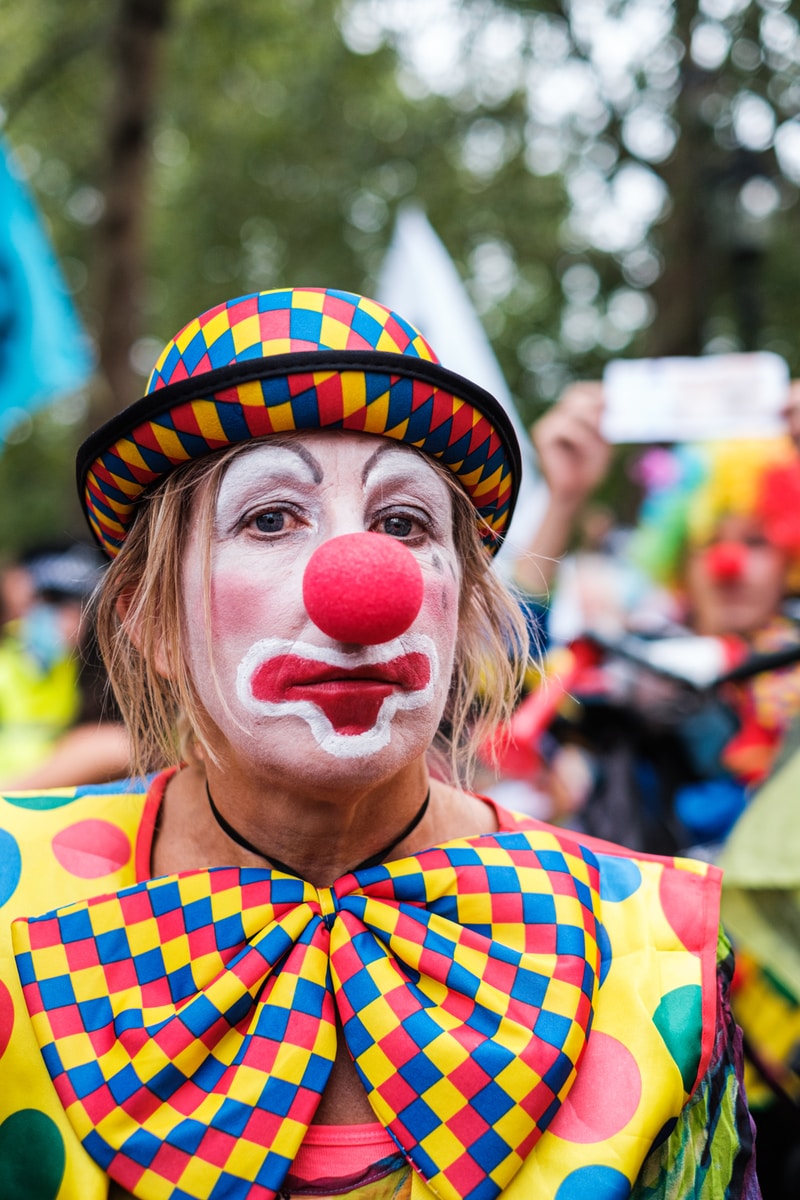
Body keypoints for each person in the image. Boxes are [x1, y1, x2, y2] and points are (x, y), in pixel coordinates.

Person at [0, 289, 757, 1199]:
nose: (361, 587)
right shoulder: (10, 904)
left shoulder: (656, 953)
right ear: (152, 621)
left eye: (404, 525)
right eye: (270, 518)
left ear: (463, 610)